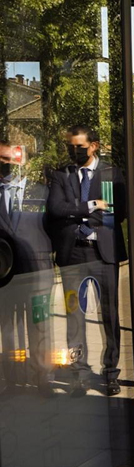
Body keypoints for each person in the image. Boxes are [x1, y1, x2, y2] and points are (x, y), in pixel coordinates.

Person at [47, 125, 127, 396]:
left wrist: (78, 215)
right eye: (70, 146)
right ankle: (78, 373)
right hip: (73, 253)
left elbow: (119, 211)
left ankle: (111, 373)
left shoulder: (111, 173)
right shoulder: (61, 174)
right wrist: (90, 206)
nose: (74, 151)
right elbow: (55, 209)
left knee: (110, 315)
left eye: (79, 147)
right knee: (74, 315)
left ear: (94, 146)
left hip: (103, 253)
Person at [0, 141, 55, 396]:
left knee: (40, 325)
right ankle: (12, 380)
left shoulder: (42, 192)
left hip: (37, 271)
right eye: (1, 159)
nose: (5, 164)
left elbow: (53, 228)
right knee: (8, 328)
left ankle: (42, 379)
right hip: (5, 272)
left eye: (9, 158)